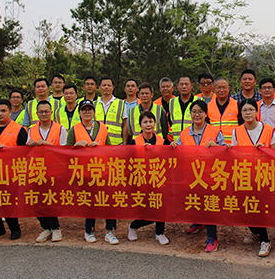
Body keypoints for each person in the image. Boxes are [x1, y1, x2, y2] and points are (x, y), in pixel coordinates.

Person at [174, 99, 227, 250]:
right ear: (190, 114)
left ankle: (212, 238)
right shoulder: (185, 133)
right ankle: (198, 222)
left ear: (206, 114)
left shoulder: (214, 132)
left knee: (208, 204)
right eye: (194, 112)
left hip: (209, 176)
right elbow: (178, 151)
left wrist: (216, 147)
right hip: (191, 175)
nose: (197, 115)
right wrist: (173, 146)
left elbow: (225, 153)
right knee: (194, 200)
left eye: (200, 112)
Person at [66, 100, 118, 245]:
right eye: (84, 109)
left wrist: (100, 148)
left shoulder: (102, 128)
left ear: (94, 112)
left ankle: (110, 231)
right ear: (79, 113)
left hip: (103, 170)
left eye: (90, 109)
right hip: (85, 172)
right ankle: (89, 230)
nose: (87, 112)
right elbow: (66, 152)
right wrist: (76, 146)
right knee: (90, 202)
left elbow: (109, 149)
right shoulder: (74, 130)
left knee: (108, 201)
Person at [232, 99, 275, 257]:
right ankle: (255, 231)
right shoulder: (237, 131)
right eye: (244, 110)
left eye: (251, 109)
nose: (248, 113)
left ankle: (265, 241)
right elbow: (234, 154)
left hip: (263, 174)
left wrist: (265, 150)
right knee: (243, 207)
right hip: (244, 174)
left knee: (258, 208)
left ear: (257, 111)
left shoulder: (268, 129)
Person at [0, 99, 27, 240]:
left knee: (8, 201)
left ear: (10, 112)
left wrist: (10, 150)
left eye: (3, 111)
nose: (0, 114)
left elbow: (25, 152)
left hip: (10, 172)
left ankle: (14, 228)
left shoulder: (19, 129)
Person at [126, 110, 170, 246]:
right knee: (146, 212)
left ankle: (160, 233)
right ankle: (133, 226)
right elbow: (128, 162)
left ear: (155, 124)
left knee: (160, 208)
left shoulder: (163, 141)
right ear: (140, 125)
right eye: (145, 122)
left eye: (151, 121)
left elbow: (169, 159)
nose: (148, 124)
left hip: (158, 180)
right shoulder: (134, 142)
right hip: (141, 182)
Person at [27, 100, 67, 243]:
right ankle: (45, 228)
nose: (44, 114)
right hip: (37, 169)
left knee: (50, 199)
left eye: (46, 111)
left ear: (51, 113)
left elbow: (64, 150)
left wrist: (47, 144)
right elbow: (27, 150)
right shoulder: (32, 129)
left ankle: (55, 228)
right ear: (37, 113)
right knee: (37, 200)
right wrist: (30, 144)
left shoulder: (60, 129)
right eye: (41, 112)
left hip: (54, 169)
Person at [207, 78, 239, 145]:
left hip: (232, 146)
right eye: (219, 88)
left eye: (224, 87)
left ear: (228, 88)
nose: (221, 90)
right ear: (214, 89)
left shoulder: (237, 105)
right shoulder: (208, 106)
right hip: (214, 145)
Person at [94, 77, 125, 145]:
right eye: (104, 85)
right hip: (98, 143)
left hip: (116, 143)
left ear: (112, 88)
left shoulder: (121, 103)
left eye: (109, 85)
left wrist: (125, 143)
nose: (106, 87)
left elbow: (125, 125)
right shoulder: (94, 104)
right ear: (99, 88)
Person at [257, 77, 275, 142]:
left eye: (269, 87)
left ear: (274, 90)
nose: (267, 90)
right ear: (260, 91)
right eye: (264, 88)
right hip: (261, 142)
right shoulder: (256, 107)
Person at [169, 75, 196, 142]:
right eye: (181, 84)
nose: (184, 86)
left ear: (191, 86)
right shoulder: (172, 102)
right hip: (176, 143)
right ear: (177, 86)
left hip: (193, 143)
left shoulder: (198, 101)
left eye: (186, 84)